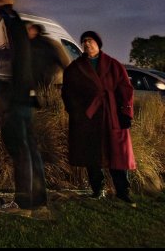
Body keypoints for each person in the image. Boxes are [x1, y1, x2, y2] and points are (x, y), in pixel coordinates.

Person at [0, 0, 48, 217]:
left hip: (12, 96)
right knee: (30, 148)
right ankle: (38, 199)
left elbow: (1, 60)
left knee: (20, 149)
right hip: (24, 95)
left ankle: (24, 204)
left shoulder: (1, 20)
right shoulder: (17, 21)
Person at [61, 31, 137, 205]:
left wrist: (125, 113)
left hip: (112, 116)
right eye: (84, 41)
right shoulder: (75, 67)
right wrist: (75, 111)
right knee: (92, 155)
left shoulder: (113, 65)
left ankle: (122, 191)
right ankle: (97, 189)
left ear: (98, 43)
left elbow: (126, 89)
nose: (87, 44)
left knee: (117, 154)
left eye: (90, 40)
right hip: (88, 118)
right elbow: (68, 92)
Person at [28, 23, 71, 90]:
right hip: (39, 82)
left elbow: (64, 61)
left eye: (30, 29)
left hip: (50, 82)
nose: (28, 31)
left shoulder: (49, 43)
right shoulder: (29, 43)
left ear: (36, 30)